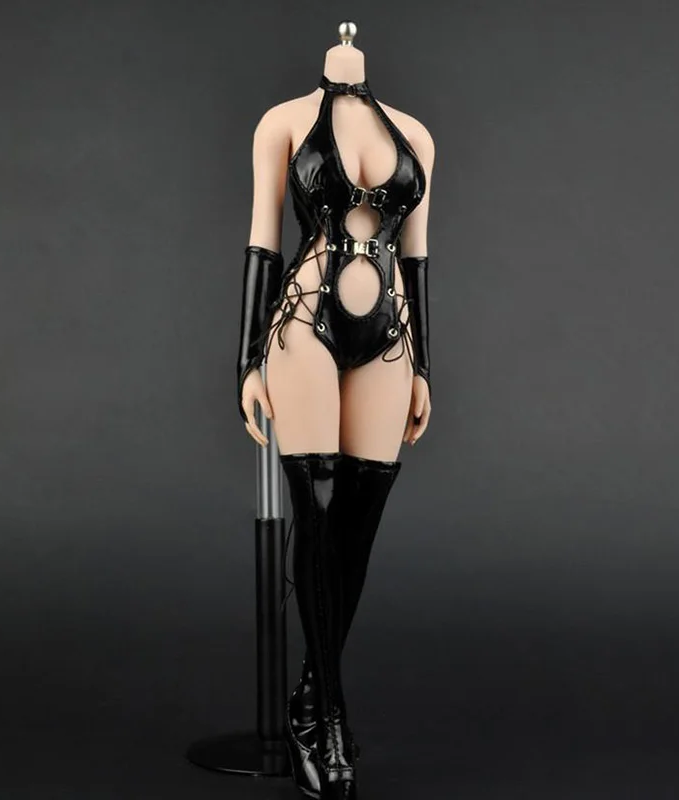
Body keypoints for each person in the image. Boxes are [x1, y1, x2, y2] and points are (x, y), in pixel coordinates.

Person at [235, 36, 434, 800]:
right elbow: (262, 243)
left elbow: (416, 259)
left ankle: (314, 695)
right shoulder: (282, 122)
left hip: (390, 336)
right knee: (316, 516)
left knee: (358, 523)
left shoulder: (415, 136)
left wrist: (425, 368)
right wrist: (246, 363)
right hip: (302, 327)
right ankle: (328, 721)